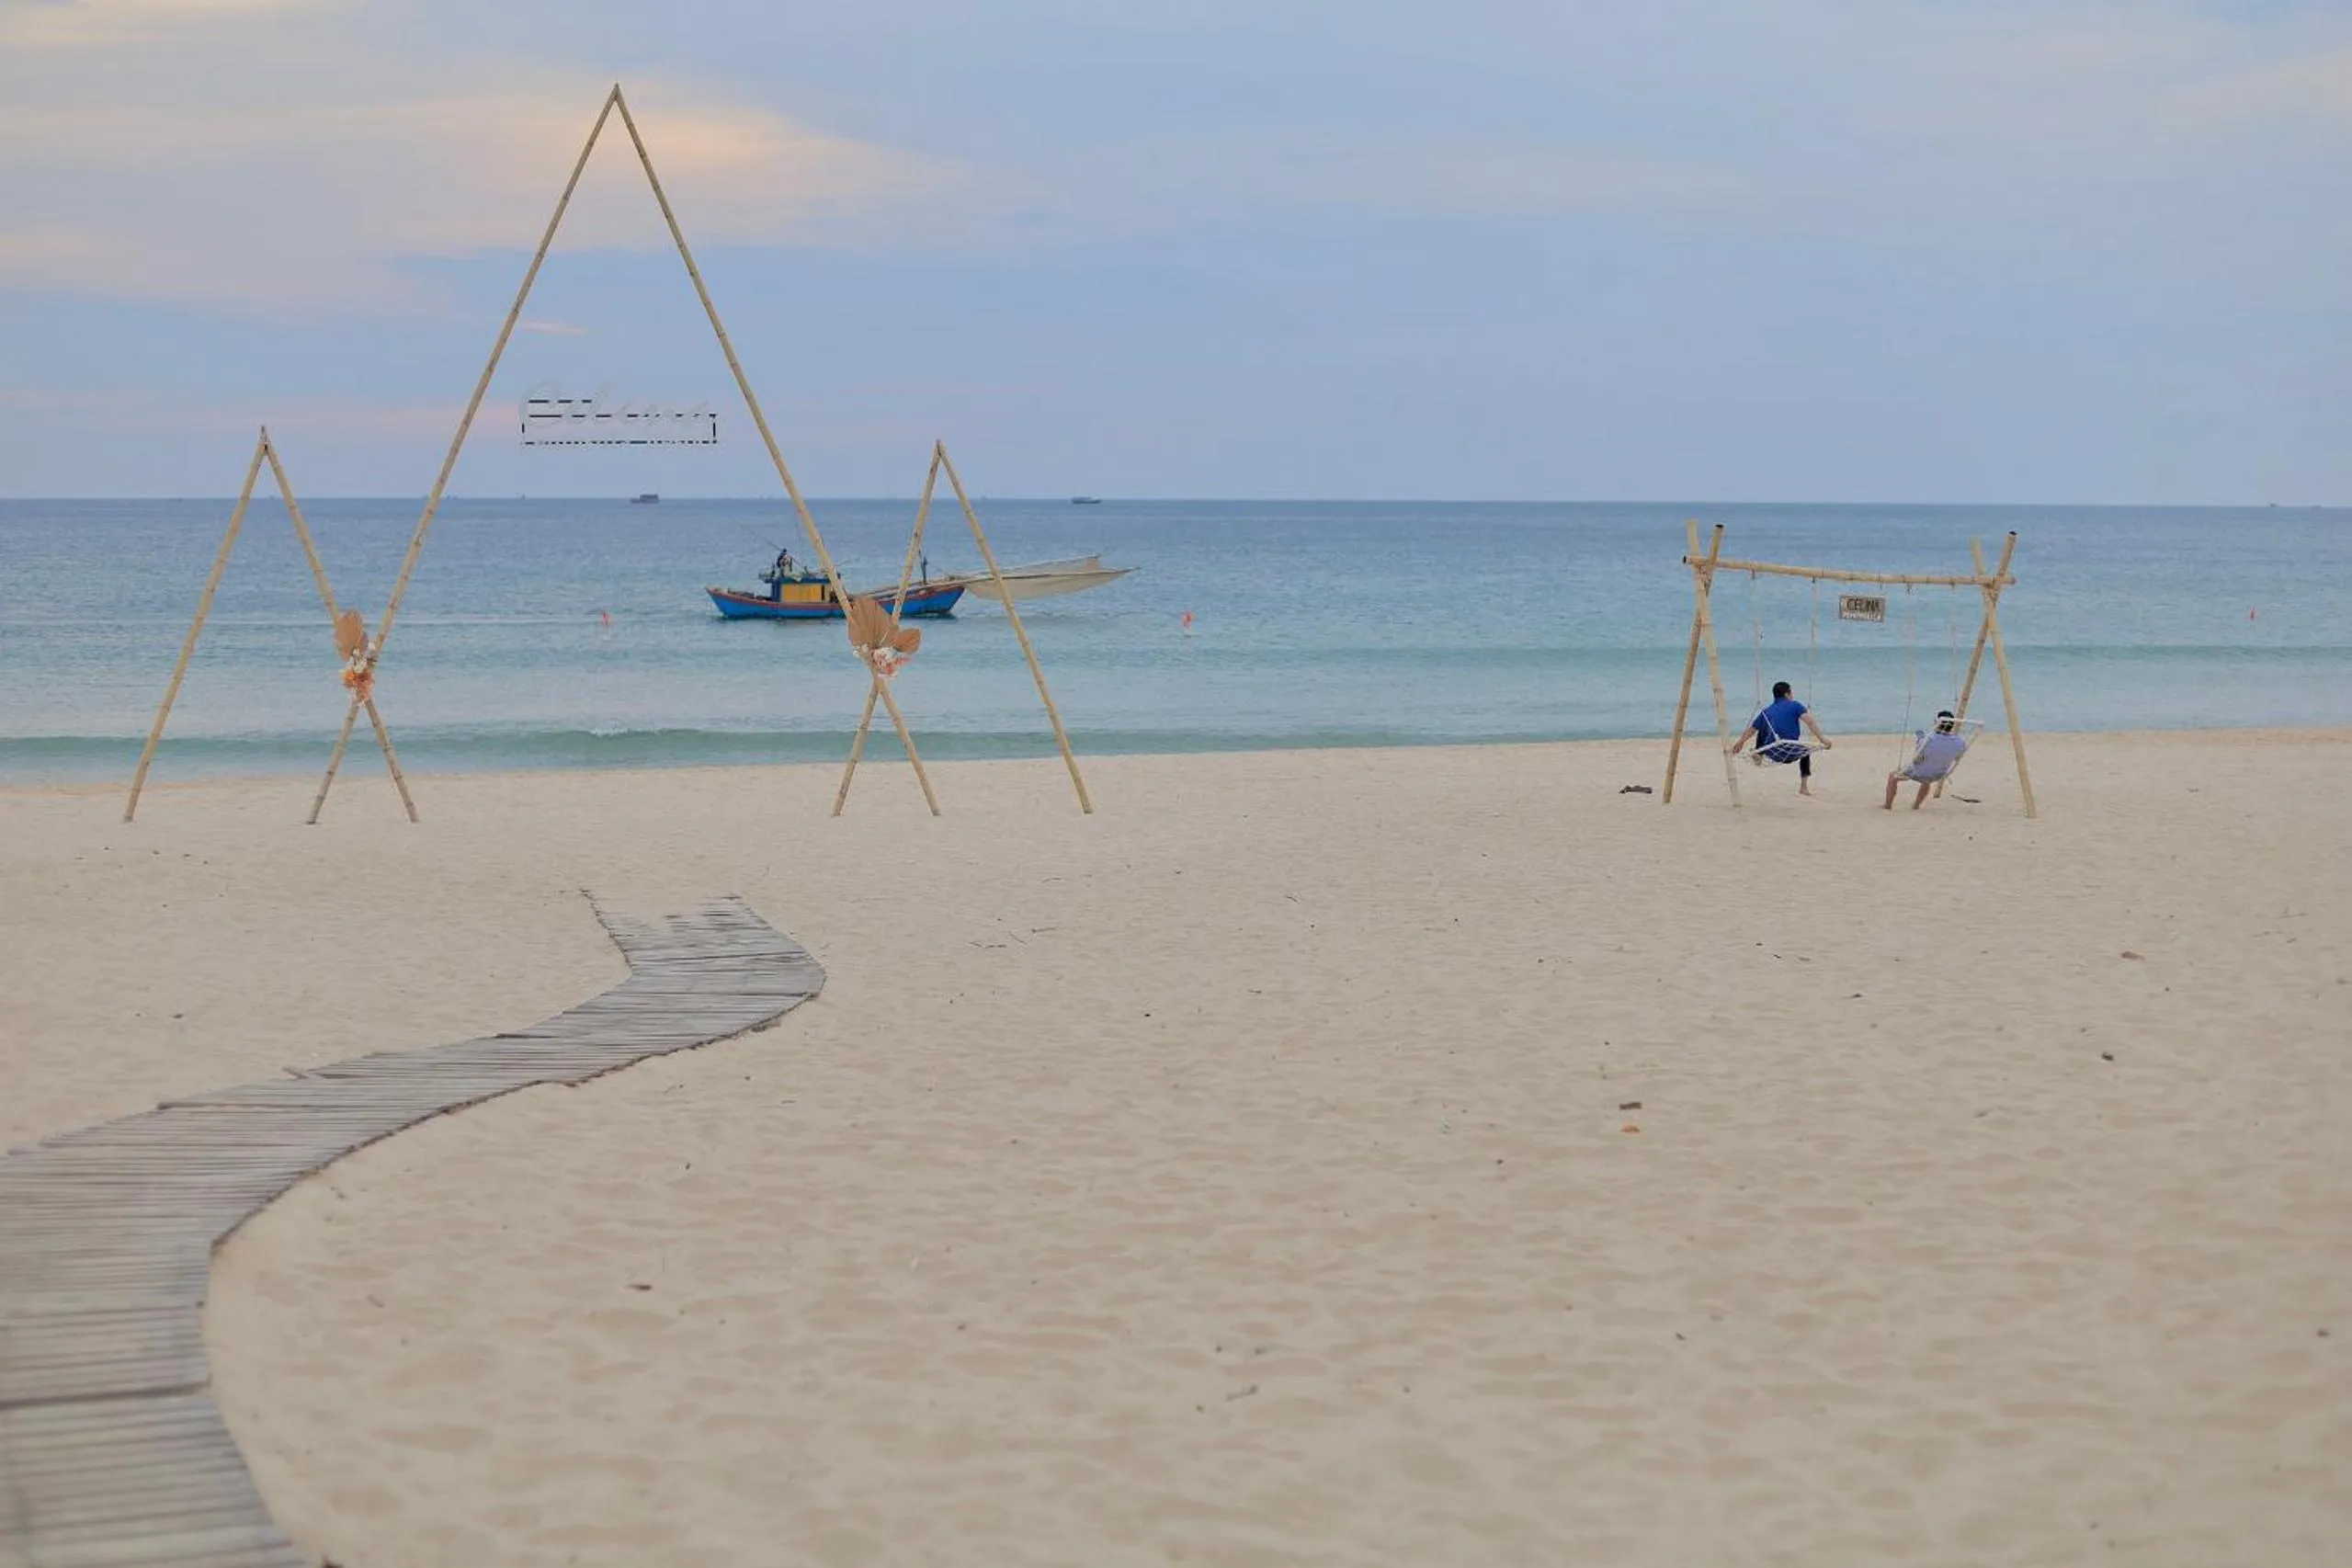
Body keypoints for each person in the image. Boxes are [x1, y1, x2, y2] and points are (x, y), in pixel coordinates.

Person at [1728, 680, 1831, 796]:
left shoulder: (1766, 712)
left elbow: (1751, 730)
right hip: (1792, 751)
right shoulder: (1795, 705)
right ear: (1787, 694)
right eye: (1791, 692)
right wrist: (1822, 739)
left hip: (1772, 751)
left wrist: (1740, 742)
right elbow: (1810, 722)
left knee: (1762, 728)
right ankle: (1804, 787)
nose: (1792, 695)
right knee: (1805, 752)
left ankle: (1759, 754)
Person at [1884, 710, 1971, 811]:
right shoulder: (1960, 743)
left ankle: (1888, 805)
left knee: (1893, 776)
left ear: (1938, 722)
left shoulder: (1928, 739)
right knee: (1927, 779)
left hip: (1919, 772)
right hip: (1938, 774)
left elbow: (1918, 758)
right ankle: (1916, 805)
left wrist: (1919, 740)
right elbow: (1956, 757)